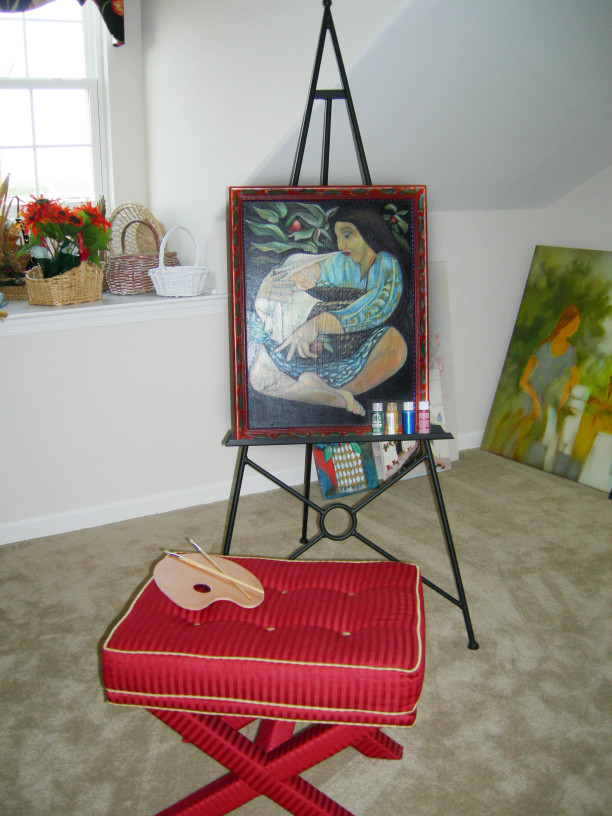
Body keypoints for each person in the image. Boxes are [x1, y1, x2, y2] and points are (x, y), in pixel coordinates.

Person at [249, 205, 410, 416]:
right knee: (260, 379)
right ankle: (328, 395)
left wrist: (318, 324)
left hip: (354, 354)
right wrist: (267, 292)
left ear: (369, 233)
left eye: (348, 235)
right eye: (338, 237)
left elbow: (379, 306)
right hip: (305, 352)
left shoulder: (385, 264)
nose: (341, 245)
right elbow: (303, 273)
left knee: (395, 345)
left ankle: (329, 393)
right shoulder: (340, 262)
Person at [509, 304, 581, 464]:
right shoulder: (543, 347)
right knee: (525, 427)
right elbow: (523, 382)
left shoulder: (570, 352)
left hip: (547, 400)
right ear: (566, 323)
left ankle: (527, 461)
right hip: (529, 396)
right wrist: (535, 401)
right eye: (574, 325)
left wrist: (566, 386)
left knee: (545, 432)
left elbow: (575, 379)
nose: (575, 329)